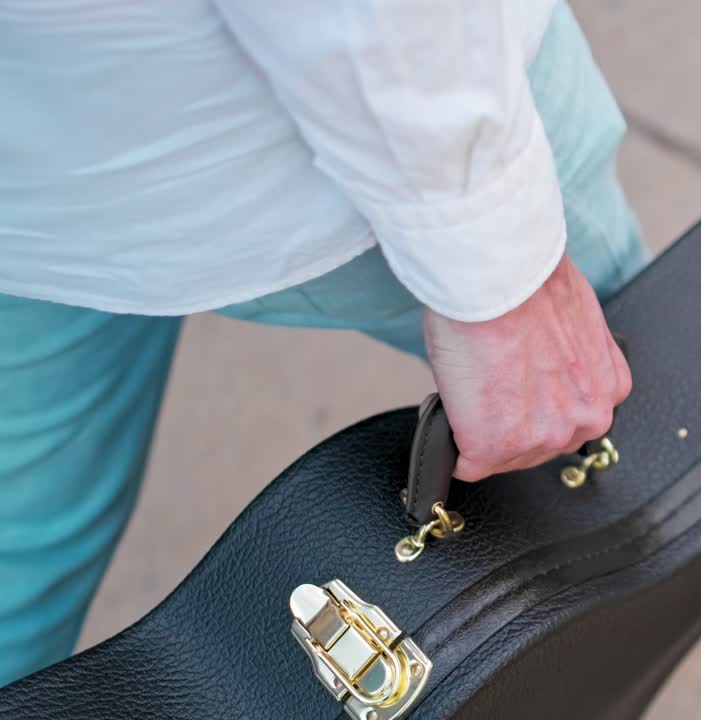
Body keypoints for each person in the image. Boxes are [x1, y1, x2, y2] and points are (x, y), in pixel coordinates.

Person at [0, 0, 646, 687]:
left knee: (19, 548)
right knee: (628, 420)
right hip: (312, 150)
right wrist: (505, 274)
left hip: (39, 180)